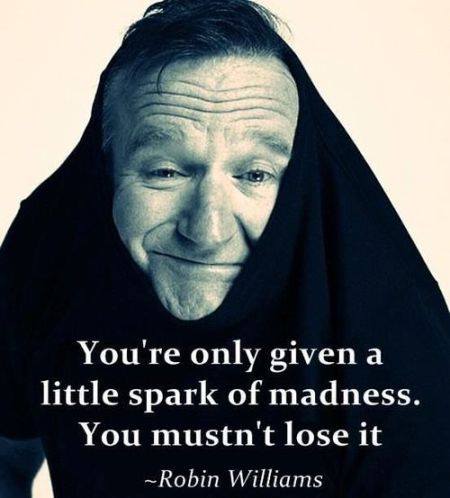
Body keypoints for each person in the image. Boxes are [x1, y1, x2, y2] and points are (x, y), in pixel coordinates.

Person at [1, 1, 449, 497]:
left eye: (254, 174)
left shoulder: (400, 351)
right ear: (104, 172)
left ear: (298, 184)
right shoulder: (49, 252)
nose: (208, 231)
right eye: (165, 172)